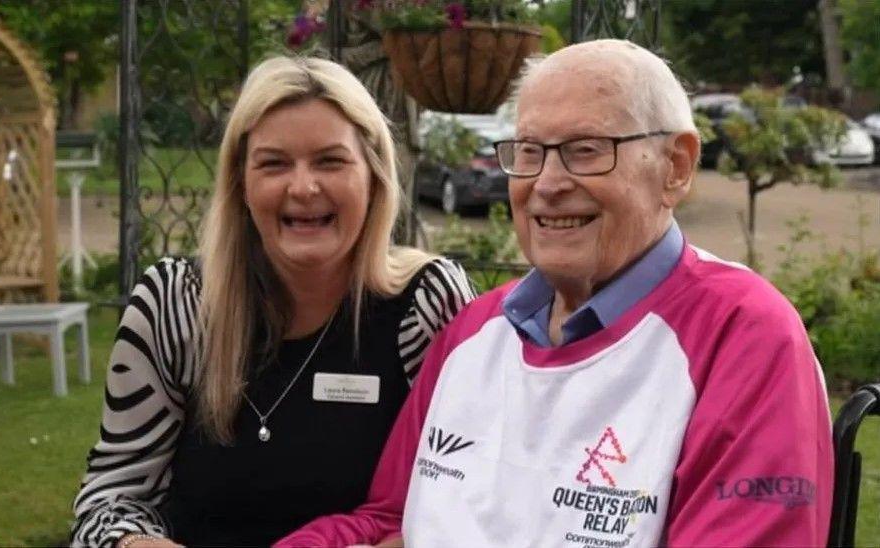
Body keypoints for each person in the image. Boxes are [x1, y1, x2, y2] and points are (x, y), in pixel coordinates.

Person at [277, 39, 833, 547]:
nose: (546, 183)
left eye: (586, 150)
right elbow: (390, 521)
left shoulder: (743, 335)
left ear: (676, 167)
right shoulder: (473, 331)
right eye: (529, 152)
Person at [70, 56, 476, 548]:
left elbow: (468, 494)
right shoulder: (176, 303)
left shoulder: (426, 304)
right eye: (274, 163)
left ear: (373, 176)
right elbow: (111, 500)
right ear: (241, 184)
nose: (303, 188)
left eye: (330, 160)